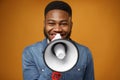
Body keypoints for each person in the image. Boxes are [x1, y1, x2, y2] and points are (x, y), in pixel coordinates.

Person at [22, 1, 94, 80]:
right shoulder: (30, 52)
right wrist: (52, 63)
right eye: (51, 23)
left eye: (63, 24)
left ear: (71, 25)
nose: (57, 29)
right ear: (44, 24)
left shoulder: (84, 53)